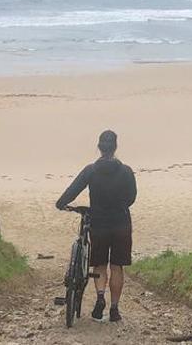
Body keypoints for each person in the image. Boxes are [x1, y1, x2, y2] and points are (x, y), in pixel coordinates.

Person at [55, 130, 137, 322]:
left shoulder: (90, 170)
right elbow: (132, 196)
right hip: (121, 223)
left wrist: (61, 203)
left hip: (98, 223)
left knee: (100, 264)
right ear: (115, 147)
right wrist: (120, 206)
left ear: (99, 147)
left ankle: (100, 297)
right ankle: (115, 309)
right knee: (117, 266)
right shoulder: (126, 171)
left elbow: (73, 189)